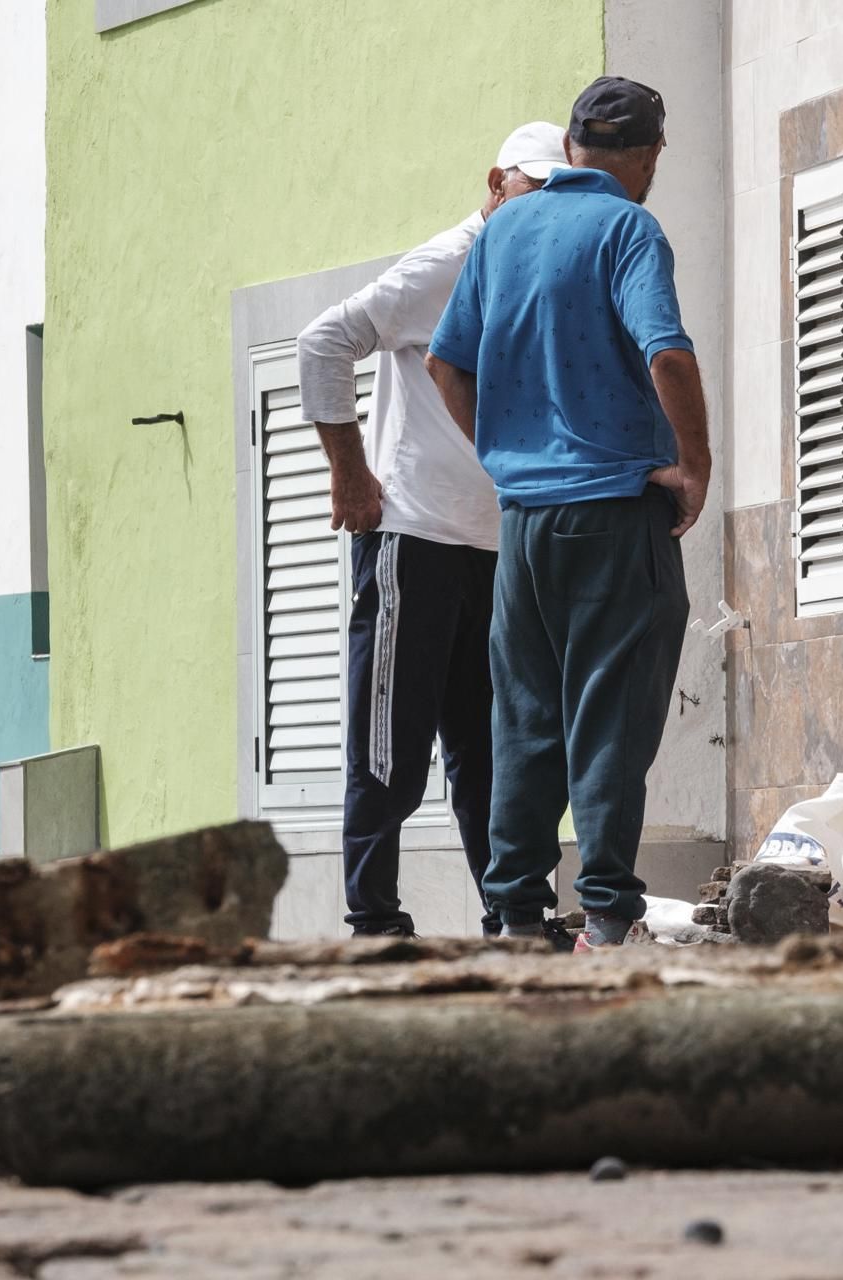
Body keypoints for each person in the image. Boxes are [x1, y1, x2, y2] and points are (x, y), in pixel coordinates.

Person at [426, 76, 709, 952]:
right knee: (612, 718)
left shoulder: (504, 228)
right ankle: (610, 915)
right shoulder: (628, 228)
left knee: (526, 717)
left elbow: (446, 365)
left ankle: (514, 913)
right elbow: (665, 349)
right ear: (650, 154)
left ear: (573, 147)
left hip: (526, 523)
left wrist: (508, 456)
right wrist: (695, 466)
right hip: (614, 516)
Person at [297, 122, 569, 939]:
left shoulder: (543, 269)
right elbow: (323, 342)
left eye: (557, 195)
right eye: (531, 190)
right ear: (496, 183)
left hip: (497, 545)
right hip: (411, 534)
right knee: (391, 739)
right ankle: (374, 918)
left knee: (494, 746)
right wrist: (351, 470)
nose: (541, 209)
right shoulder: (444, 265)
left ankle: (514, 910)